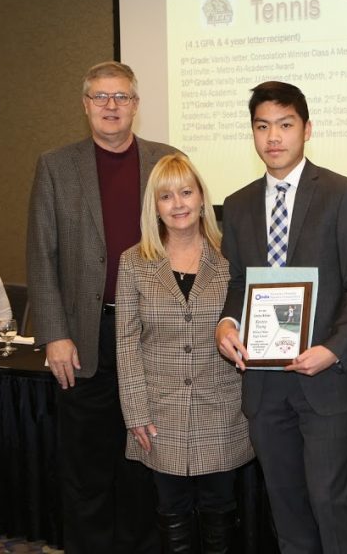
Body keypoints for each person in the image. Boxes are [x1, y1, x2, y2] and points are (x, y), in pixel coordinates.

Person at [215, 81, 347, 554]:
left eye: (285, 125)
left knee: (333, 503)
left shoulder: (343, 194)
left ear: (307, 129)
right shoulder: (240, 203)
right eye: (262, 126)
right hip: (265, 386)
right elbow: (237, 285)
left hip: (326, 378)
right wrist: (227, 324)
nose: (274, 138)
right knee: (286, 507)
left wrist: (332, 348)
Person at [26, 61, 177, 553]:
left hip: (152, 338)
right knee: (87, 470)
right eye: (100, 97)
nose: (111, 106)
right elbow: (41, 253)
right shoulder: (55, 165)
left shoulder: (166, 160)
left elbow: (188, 240)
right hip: (84, 339)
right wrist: (54, 333)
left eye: (121, 97)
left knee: (143, 463)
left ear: (136, 104)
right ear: (85, 104)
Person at [116, 153, 254, 553]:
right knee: (171, 508)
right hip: (160, 413)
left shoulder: (231, 259)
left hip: (223, 410)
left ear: (201, 198)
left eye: (186, 192)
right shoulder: (134, 264)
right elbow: (125, 343)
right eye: (166, 196)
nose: (178, 204)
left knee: (220, 509)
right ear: (154, 206)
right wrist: (135, 413)